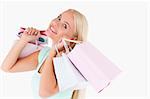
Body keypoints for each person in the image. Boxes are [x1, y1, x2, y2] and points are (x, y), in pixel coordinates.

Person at [1, 9, 88, 99]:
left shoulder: (70, 66)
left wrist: (53, 52)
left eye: (65, 26)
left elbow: (44, 93)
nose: (55, 23)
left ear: (73, 39)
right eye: (59, 18)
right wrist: (24, 40)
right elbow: (7, 67)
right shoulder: (45, 54)